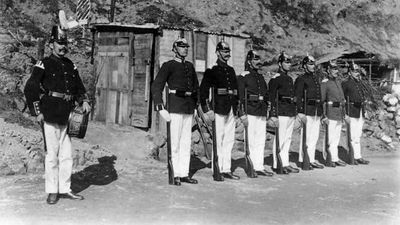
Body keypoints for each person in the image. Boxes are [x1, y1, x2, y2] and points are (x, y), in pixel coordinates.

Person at [24, 26, 91, 204]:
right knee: (52, 155)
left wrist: (83, 100)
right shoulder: (43, 63)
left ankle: (65, 188)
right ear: (51, 44)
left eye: (64, 43)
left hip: (67, 115)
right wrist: (37, 112)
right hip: (50, 113)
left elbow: (79, 87)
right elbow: (30, 88)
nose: (62, 47)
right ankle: (52, 191)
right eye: (59, 43)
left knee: (67, 155)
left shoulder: (71, 65)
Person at [151, 37, 200, 186]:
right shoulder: (168, 65)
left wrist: (196, 106)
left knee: (186, 142)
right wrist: (160, 107)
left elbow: (196, 88)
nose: (185, 49)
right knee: (175, 142)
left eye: (186, 47)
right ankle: (175, 173)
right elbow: (156, 86)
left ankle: (184, 173)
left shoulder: (190, 66)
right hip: (175, 106)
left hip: (188, 107)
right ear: (174, 49)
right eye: (181, 46)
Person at [199, 41, 240, 180]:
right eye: (223, 51)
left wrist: (237, 110)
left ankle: (226, 168)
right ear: (217, 52)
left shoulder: (231, 70)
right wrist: (207, 110)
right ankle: (217, 169)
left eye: (228, 51)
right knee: (219, 139)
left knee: (229, 140)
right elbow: (203, 92)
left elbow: (236, 92)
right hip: (218, 108)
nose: (226, 54)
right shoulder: (212, 69)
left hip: (230, 109)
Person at [237, 50, 273, 176]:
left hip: (261, 111)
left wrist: (267, 109)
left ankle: (259, 166)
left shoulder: (260, 77)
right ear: (249, 61)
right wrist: (242, 114)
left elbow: (266, 94)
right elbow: (240, 97)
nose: (258, 62)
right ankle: (251, 166)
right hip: (250, 111)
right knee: (251, 140)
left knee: (260, 140)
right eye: (255, 60)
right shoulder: (243, 76)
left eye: (259, 60)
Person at [268, 52, 299, 174]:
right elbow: (272, 97)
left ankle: (285, 163)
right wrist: (273, 114)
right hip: (281, 111)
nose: (288, 64)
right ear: (280, 64)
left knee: (288, 138)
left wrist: (295, 112)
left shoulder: (289, 78)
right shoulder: (275, 79)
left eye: (289, 62)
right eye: (286, 62)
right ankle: (277, 163)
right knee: (280, 138)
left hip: (290, 111)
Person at [294, 54, 324, 170]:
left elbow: (319, 96)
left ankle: (311, 159)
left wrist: (321, 112)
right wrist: (300, 112)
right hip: (307, 110)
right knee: (306, 137)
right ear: (305, 66)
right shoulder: (301, 79)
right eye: (310, 64)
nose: (313, 67)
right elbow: (298, 96)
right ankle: (303, 159)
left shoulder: (315, 79)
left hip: (316, 110)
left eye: (313, 64)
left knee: (314, 137)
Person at [341, 62, 370, 165]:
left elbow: (363, 98)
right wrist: (345, 114)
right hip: (351, 110)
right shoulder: (345, 83)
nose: (357, 73)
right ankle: (352, 156)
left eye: (357, 71)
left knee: (358, 135)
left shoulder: (360, 83)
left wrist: (365, 111)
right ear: (350, 72)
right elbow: (342, 99)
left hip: (360, 111)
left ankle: (358, 156)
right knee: (352, 136)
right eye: (354, 71)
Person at [320, 60, 347, 167]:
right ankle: (328, 158)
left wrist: (343, 113)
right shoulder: (325, 83)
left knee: (336, 137)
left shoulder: (338, 82)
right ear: (328, 70)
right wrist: (323, 115)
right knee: (329, 137)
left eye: (337, 69)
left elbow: (342, 99)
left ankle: (335, 158)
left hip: (338, 113)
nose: (336, 71)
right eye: (334, 69)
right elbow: (322, 100)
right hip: (330, 112)